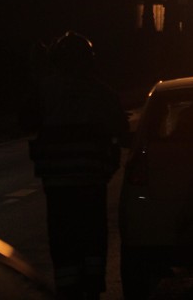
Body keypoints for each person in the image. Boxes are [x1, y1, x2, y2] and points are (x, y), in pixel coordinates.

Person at [22, 30, 128, 300]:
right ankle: (91, 287)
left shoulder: (44, 91)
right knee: (93, 237)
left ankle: (68, 289)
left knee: (62, 240)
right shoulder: (102, 93)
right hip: (93, 181)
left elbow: (27, 123)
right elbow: (123, 131)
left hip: (57, 185)